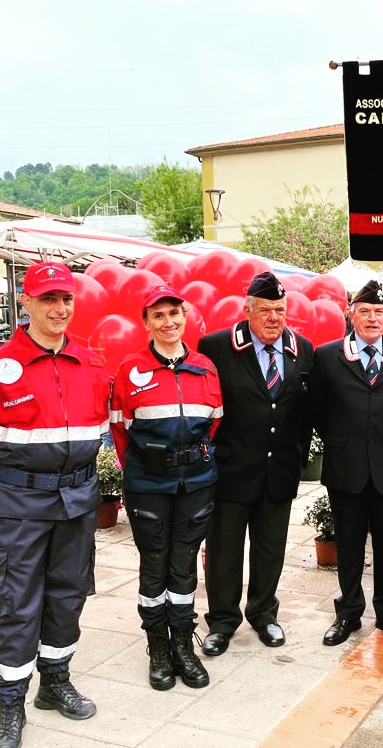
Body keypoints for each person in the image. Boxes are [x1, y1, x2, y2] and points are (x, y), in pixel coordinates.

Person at [0, 262, 111, 748]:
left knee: (68, 596)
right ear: (26, 303)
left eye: (65, 298)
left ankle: (55, 682)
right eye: (47, 298)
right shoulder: (4, 364)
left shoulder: (90, 363)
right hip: (19, 502)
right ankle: (8, 702)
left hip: (79, 500)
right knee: (16, 603)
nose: (58, 308)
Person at [110, 286, 223, 691]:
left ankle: (182, 644)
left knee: (184, 562)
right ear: (146, 324)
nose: (168, 321)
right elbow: (119, 428)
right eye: (158, 315)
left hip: (196, 482)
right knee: (154, 563)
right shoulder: (130, 369)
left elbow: (214, 423)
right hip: (148, 484)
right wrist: (142, 470)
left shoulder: (206, 367)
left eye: (174, 312)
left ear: (185, 316)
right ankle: (157, 646)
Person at [197, 272, 314, 657]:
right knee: (225, 551)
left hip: (278, 470)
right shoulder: (216, 347)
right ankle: (222, 621)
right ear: (247, 310)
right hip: (231, 470)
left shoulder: (304, 350)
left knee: (270, 550)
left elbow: (304, 415)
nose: (273, 318)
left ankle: (263, 613)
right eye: (264, 310)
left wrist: (296, 459)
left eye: (279, 310)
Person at [311, 280, 383, 647]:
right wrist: (343, 442)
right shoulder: (326, 356)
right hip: (346, 467)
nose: (372, 318)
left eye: (379, 312)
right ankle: (349, 613)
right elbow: (318, 413)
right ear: (351, 314)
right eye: (365, 311)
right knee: (349, 544)